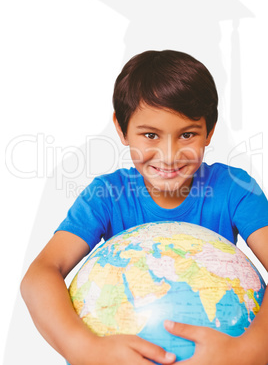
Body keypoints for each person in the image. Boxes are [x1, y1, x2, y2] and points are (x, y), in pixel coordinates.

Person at [21, 50, 268, 365]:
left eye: (187, 134)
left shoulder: (234, 188)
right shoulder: (107, 195)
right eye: (150, 135)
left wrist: (254, 349)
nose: (169, 155)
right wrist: (83, 347)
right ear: (122, 130)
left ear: (210, 131)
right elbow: (39, 275)